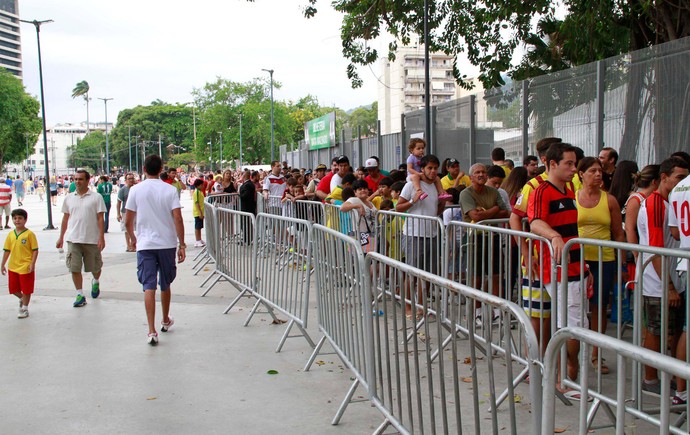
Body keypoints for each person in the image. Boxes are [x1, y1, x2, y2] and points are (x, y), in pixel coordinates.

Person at [528, 142, 591, 395]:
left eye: (575, 164)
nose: (574, 169)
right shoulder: (543, 190)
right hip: (558, 270)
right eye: (569, 164)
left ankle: (569, 377)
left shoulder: (568, 191)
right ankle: (564, 379)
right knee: (572, 326)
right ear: (552, 164)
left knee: (578, 323)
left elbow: (573, 231)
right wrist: (553, 236)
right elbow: (534, 222)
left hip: (576, 269)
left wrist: (585, 267)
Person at [638, 156, 689, 396]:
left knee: (671, 329)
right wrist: (667, 285)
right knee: (656, 330)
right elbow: (656, 247)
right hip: (656, 281)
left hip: (667, 278)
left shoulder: (668, 202)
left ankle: (667, 378)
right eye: (679, 177)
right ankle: (650, 380)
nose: (683, 183)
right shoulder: (656, 203)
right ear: (663, 178)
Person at [125, 155, 186, 346]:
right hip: (167, 243)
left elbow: (127, 221)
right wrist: (182, 243)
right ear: (161, 169)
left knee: (148, 285)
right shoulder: (169, 190)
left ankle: (151, 330)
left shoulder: (135, 190)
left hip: (145, 245)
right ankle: (165, 319)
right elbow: (178, 218)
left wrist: (133, 239)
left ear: (144, 169)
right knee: (165, 283)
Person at [575, 157, 625, 374]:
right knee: (574, 306)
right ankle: (572, 355)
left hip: (604, 259)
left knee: (599, 307)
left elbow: (619, 233)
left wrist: (622, 261)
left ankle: (596, 354)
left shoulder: (610, 200)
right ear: (581, 174)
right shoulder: (572, 197)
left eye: (600, 171)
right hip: (578, 259)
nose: (598, 174)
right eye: (592, 171)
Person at [459, 163, 511, 325]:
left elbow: (506, 212)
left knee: (497, 275)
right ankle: (477, 314)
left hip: (493, 236)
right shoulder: (465, 193)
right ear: (471, 176)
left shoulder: (494, 191)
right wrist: (494, 210)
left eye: (483, 172)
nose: (481, 174)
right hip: (475, 238)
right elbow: (475, 215)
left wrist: (485, 213)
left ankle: (496, 312)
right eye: (477, 172)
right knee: (477, 278)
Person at [396, 154, 446, 319]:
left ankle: (422, 306)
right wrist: (412, 201)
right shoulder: (411, 185)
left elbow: (435, 211)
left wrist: (442, 203)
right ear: (422, 169)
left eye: (435, 168)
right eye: (429, 168)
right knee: (412, 272)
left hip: (431, 233)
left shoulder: (435, 187)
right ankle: (409, 307)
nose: (432, 171)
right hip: (413, 233)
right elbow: (399, 208)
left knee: (427, 273)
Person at [56, 169, 106, 308]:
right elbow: (65, 218)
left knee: (95, 267)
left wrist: (101, 237)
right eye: (75, 179)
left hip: (91, 239)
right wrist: (61, 237)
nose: (77, 182)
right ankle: (80, 294)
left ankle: (95, 281)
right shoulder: (69, 198)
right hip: (73, 239)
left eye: (80, 179)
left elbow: (100, 218)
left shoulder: (96, 197)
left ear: (87, 180)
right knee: (74, 268)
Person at [668, 167, 690, 405]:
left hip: (684, 263)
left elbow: (674, 232)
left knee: (686, 327)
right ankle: (682, 392)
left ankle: (681, 391)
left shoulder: (680, 187)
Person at [1, 208, 38, 318]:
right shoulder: (11, 234)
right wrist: (2, 264)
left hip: (25, 266)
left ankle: (25, 308)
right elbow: (7, 250)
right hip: (13, 266)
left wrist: (32, 263)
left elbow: (35, 250)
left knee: (26, 289)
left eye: (20, 218)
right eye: (15, 218)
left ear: (25, 220)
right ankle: (22, 299)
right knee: (13, 289)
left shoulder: (29, 234)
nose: (17, 220)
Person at [117, 173, 136, 252]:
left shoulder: (136, 189)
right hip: (125, 212)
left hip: (135, 212)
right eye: (129, 179)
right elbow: (118, 202)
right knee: (126, 229)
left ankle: (133, 244)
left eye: (132, 178)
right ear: (126, 180)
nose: (131, 180)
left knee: (134, 228)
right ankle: (128, 245)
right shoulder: (123, 190)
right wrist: (118, 214)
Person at [192, 178, 206, 248]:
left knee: (200, 226)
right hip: (198, 212)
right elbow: (197, 202)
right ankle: (197, 240)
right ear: (198, 186)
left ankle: (199, 239)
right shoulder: (196, 192)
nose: (203, 186)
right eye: (201, 185)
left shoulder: (200, 191)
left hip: (201, 212)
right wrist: (200, 212)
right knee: (197, 227)